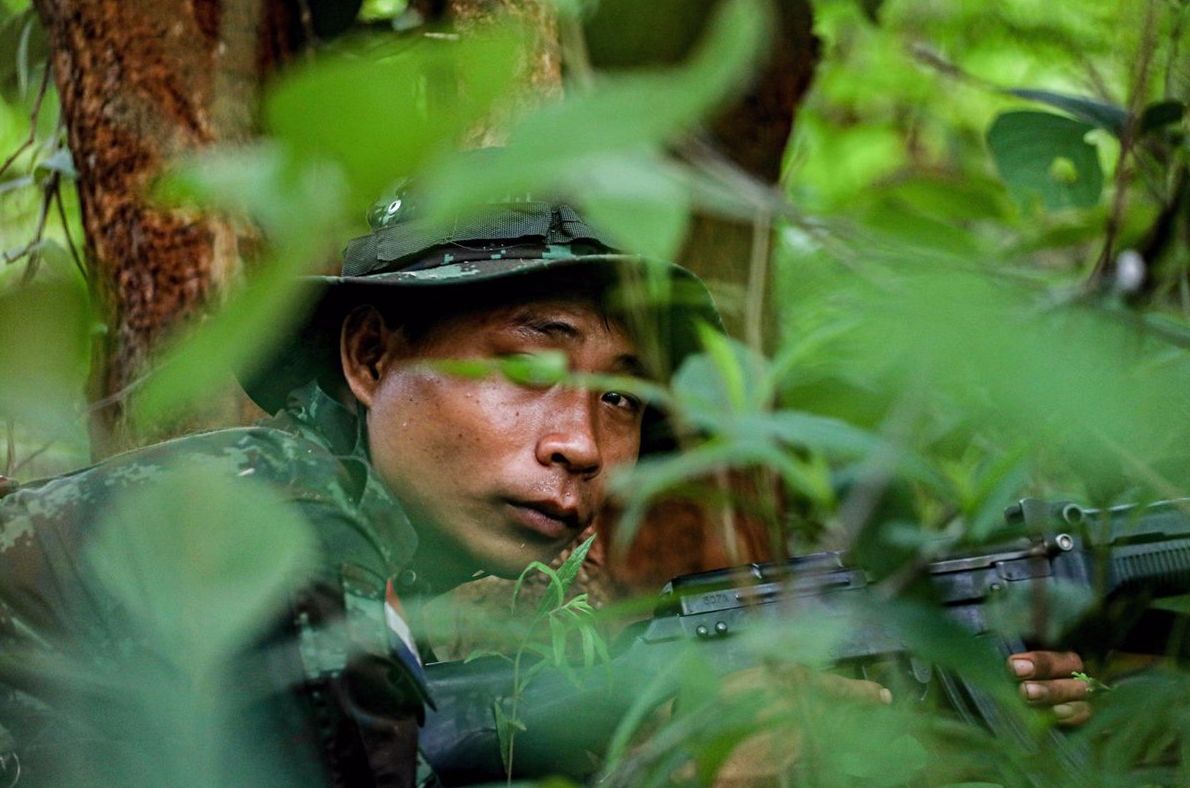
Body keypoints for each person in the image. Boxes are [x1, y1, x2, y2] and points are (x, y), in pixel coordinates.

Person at [0, 197, 1089, 787]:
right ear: (371, 357)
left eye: (621, 397)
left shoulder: (367, 578)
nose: (580, 443)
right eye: (528, 364)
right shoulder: (262, 529)